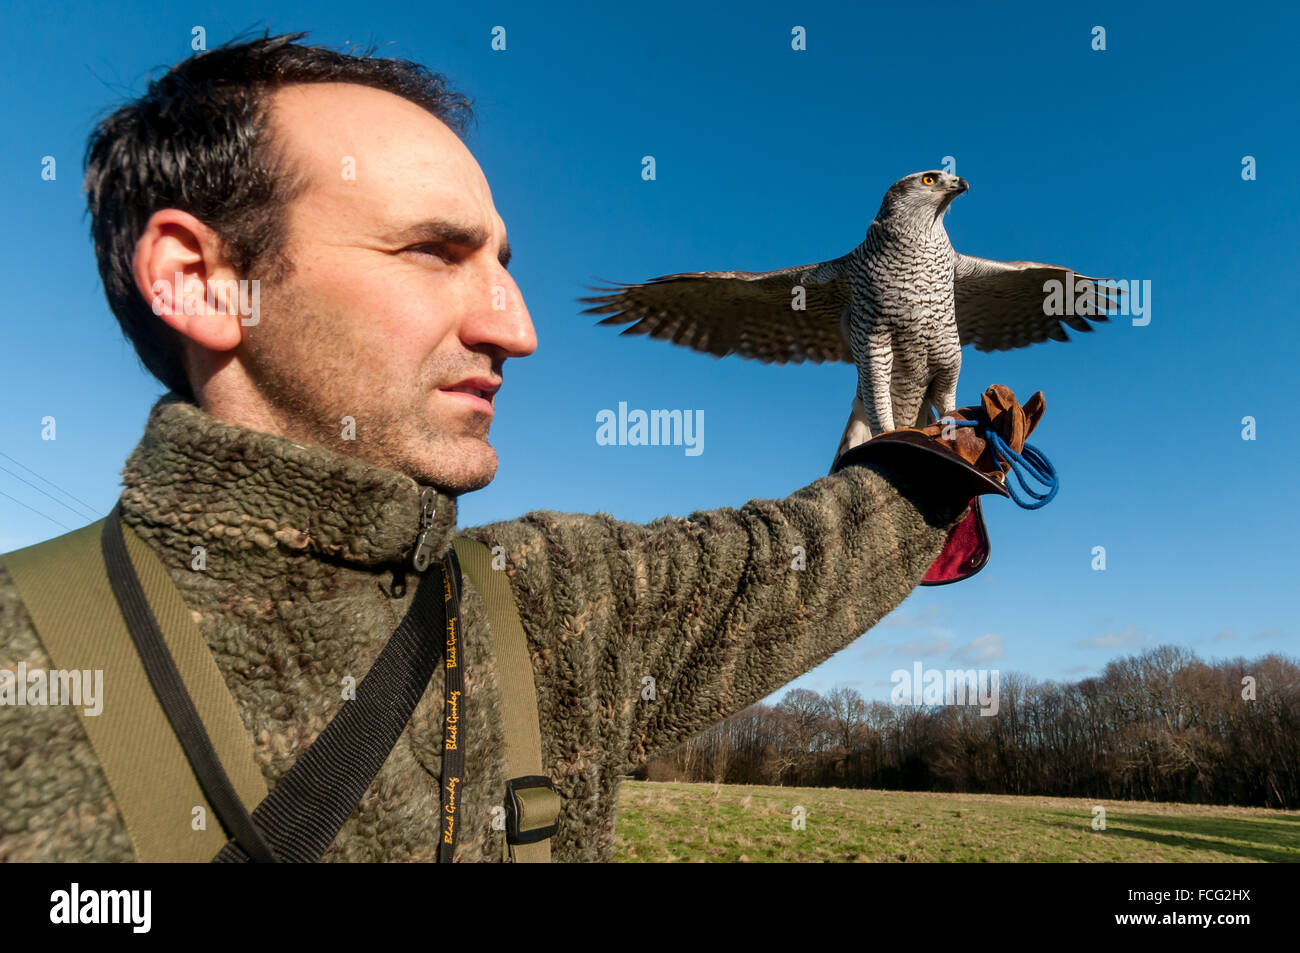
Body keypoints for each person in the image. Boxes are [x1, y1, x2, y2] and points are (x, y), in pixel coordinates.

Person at [0, 32, 1023, 862]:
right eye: (432, 253)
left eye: (502, 262)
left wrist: (925, 467)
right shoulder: (25, 664)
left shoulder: (549, 600)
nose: (517, 328)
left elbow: (782, 567)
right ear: (204, 277)